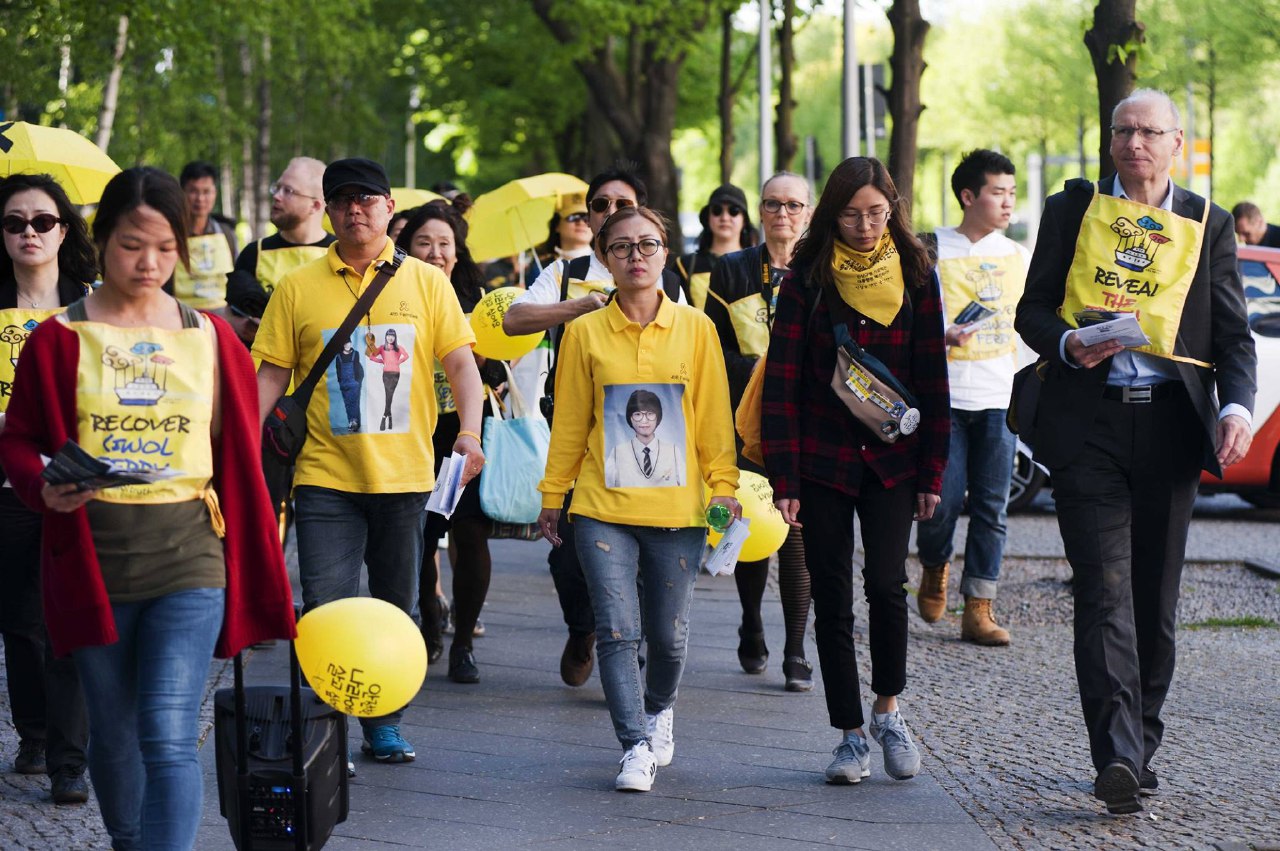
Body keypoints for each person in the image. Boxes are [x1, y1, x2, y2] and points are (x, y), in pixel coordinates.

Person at [0, 166, 296, 849]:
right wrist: (41, 483)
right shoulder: (58, 336)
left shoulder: (213, 338)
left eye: (165, 247)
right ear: (101, 240)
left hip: (189, 556)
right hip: (89, 560)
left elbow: (240, 457)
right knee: (113, 728)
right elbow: (17, 441)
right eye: (134, 244)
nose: (150, 262)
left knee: (166, 730)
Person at [1015, 89, 1256, 815]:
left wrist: (1238, 407)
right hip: (1089, 428)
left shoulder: (1207, 223)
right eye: (1124, 130)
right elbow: (1031, 309)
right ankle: (1115, 754)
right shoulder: (1072, 213)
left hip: (1170, 430)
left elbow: (1234, 334)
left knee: (1154, 601)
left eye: (1150, 131)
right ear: (1111, 139)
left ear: (1176, 142)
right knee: (1103, 591)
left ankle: (1142, 738)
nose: (1135, 143)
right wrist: (1066, 340)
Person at [254, 157, 485, 765]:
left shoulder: (428, 284)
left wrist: (470, 431)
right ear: (327, 211)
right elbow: (272, 374)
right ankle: (321, 725)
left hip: (405, 478)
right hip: (326, 476)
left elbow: (461, 362)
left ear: (389, 209)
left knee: (396, 609)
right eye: (342, 200)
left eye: (367, 199)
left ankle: (384, 723)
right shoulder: (298, 286)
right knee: (325, 607)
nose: (355, 209)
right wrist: (240, 444)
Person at [536, 205, 740, 792]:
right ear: (603, 257)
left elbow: (712, 425)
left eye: (648, 245)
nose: (636, 257)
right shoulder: (583, 332)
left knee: (669, 637)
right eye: (621, 247)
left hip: (679, 512)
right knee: (618, 630)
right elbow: (570, 422)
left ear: (665, 251)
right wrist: (554, 494)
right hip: (602, 508)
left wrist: (723, 490)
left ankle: (660, 708)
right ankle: (634, 745)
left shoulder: (697, 329)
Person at [761, 156, 950, 785]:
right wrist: (785, 480)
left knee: (888, 586)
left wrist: (931, 474)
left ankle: (889, 709)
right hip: (823, 461)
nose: (866, 225)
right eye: (851, 213)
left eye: (877, 212)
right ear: (830, 215)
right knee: (832, 597)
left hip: (895, 461)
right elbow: (781, 388)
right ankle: (848, 735)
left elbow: (933, 380)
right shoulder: (805, 281)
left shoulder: (919, 275)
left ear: (893, 208)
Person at [504, 165, 687, 688]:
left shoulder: (668, 280)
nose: (609, 215)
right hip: (579, 430)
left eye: (620, 205)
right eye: (599, 207)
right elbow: (512, 320)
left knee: (647, 550)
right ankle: (583, 628)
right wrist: (577, 308)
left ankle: (632, 653)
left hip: (649, 429)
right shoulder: (567, 271)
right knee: (568, 551)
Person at [0, 173, 93, 805]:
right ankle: (34, 733)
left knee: (70, 622)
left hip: (75, 481)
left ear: (64, 229)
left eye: (42, 220)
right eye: (14, 222)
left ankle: (70, 760)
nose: (29, 232)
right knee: (21, 623)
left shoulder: (92, 306)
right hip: (6, 487)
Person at [915, 150, 1032, 646]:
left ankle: (979, 608)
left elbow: (1028, 328)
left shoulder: (1017, 256)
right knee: (940, 504)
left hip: (999, 397)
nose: (1008, 202)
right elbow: (904, 319)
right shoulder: (929, 250)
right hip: (944, 399)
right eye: (997, 192)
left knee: (992, 506)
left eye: (1011, 192)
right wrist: (941, 336)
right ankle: (934, 564)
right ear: (969, 196)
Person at [704, 171, 817, 690]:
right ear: (760, 212)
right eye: (773, 204)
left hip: (807, 421)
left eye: (794, 206)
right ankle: (751, 621)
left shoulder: (824, 270)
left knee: (797, 534)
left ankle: (796, 646)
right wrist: (756, 368)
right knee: (749, 524)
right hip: (745, 420)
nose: (783, 215)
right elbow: (710, 347)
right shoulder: (729, 271)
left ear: (810, 213)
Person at [396, 199, 506, 682]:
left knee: (469, 532)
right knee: (418, 534)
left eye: (445, 244)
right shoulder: (392, 297)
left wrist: (485, 367)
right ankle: (428, 617)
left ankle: (463, 642)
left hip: (463, 434)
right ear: (406, 249)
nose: (437, 252)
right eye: (425, 243)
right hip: (410, 431)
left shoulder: (481, 300)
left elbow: (505, 365)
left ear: (457, 252)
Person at [232, 157, 334, 294]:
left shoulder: (341, 254)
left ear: (315, 206)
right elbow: (232, 314)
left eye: (288, 191)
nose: (276, 196)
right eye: (277, 187)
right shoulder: (254, 254)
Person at [672, 183, 756, 309]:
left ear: (744, 219)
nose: (725, 217)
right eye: (717, 210)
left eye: (734, 211)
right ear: (708, 218)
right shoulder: (685, 266)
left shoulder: (758, 264)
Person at [173, 161, 237, 309]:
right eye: (193, 191)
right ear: (182, 193)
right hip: (179, 314)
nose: (200, 199)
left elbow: (235, 276)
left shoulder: (226, 233)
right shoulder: (171, 232)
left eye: (206, 191)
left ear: (215, 193)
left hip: (221, 316)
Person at [603, 389, 686, 487]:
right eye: (638, 414)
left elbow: (684, 487)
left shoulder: (673, 451)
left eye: (650, 414)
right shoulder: (617, 452)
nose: (644, 420)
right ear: (630, 418)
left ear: (658, 417)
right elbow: (607, 488)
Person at [537, 193, 594, 266]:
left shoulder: (607, 265)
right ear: (557, 225)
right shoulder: (541, 267)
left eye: (587, 218)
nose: (581, 222)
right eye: (573, 217)